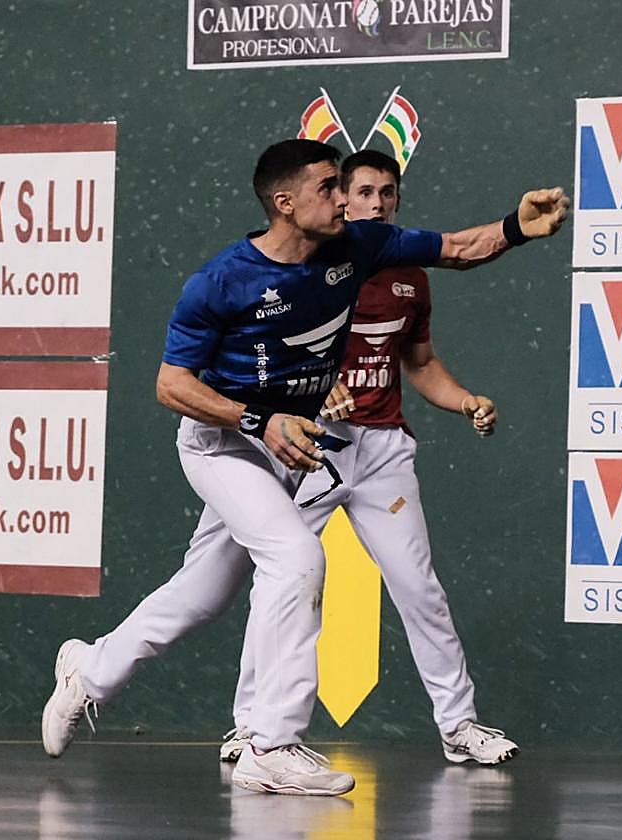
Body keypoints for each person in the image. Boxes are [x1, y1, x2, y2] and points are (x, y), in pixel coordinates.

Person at [40, 139, 570, 797]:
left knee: (204, 593)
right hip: (226, 446)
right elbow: (171, 385)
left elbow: (460, 248)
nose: (345, 197)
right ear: (284, 203)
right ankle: (270, 743)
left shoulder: (360, 245)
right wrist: (260, 420)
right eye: (329, 187)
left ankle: (88, 672)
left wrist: (519, 227)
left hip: (300, 442)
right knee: (295, 559)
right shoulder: (221, 280)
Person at [218, 148, 516, 770]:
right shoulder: (307, 269)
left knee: (420, 589)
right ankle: (249, 727)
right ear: (339, 201)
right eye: (363, 192)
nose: (377, 203)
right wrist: (312, 383)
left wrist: (465, 402)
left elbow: (422, 365)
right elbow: (264, 353)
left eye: (388, 192)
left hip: (383, 453)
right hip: (313, 446)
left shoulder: (410, 274)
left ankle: (458, 726)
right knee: (283, 585)